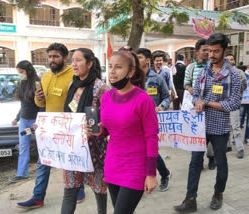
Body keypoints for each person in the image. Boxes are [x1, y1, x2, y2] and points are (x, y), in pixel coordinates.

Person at [174, 33, 241, 213]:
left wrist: (208, 103)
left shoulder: (233, 75)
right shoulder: (204, 71)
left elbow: (234, 103)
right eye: (209, 51)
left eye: (216, 51)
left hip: (219, 128)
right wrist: (197, 101)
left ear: (224, 51)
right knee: (195, 161)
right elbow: (195, 93)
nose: (211, 55)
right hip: (200, 125)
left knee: (220, 161)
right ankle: (190, 199)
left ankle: (218, 193)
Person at [100, 49, 158, 214]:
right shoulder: (106, 97)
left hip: (135, 167)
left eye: (118, 67)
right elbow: (107, 130)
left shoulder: (143, 100)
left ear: (131, 71)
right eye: (110, 66)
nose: (112, 71)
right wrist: (99, 131)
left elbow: (151, 137)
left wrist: (151, 174)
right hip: (112, 164)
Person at [17, 43, 75, 209]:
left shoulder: (73, 75)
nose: (52, 60)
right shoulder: (46, 77)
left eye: (56, 56)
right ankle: (37, 197)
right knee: (43, 162)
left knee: (70, 163)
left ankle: (77, 191)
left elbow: (77, 101)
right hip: (48, 127)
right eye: (50, 57)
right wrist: (39, 97)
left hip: (67, 127)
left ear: (65, 58)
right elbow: (41, 102)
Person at [61, 48, 109, 214]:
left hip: (94, 149)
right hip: (72, 148)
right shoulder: (72, 85)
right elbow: (66, 115)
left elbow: (109, 118)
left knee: (99, 189)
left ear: (89, 64)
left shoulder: (101, 88)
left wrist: (99, 126)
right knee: (70, 189)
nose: (73, 64)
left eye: (78, 60)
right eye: (72, 60)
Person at [136, 48, 172, 192]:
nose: (136, 60)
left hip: (151, 122)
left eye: (139, 57)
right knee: (141, 150)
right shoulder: (132, 78)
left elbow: (167, 97)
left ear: (147, 60)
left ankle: (165, 174)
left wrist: (161, 106)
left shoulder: (157, 78)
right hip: (135, 121)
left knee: (150, 150)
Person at [183, 39, 216, 170]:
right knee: (197, 134)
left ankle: (212, 158)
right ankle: (197, 161)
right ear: (197, 52)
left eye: (209, 50)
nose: (207, 53)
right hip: (196, 107)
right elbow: (186, 83)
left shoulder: (213, 67)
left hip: (211, 106)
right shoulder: (190, 68)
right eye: (204, 50)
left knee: (211, 134)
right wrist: (189, 88)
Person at [10, 60, 40, 183]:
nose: (19, 74)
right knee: (23, 146)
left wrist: (39, 120)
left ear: (28, 71)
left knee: (41, 147)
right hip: (24, 121)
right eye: (18, 72)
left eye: (21, 72)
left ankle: (42, 171)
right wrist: (17, 118)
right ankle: (21, 173)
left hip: (35, 121)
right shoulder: (23, 83)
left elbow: (41, 104)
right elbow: (23, 105)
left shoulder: (37, 84)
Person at [226, 54, 247, 158]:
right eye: (228, 59)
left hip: (234, 104)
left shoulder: (239, 72)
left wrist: (238, 94)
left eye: (232, 59)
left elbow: (244, 85)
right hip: (223, 104)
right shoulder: (221, 73)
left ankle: (240, 149)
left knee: (235, 126)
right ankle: (227, 145)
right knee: (226, 126)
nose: (230, 61)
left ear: (234, 61)